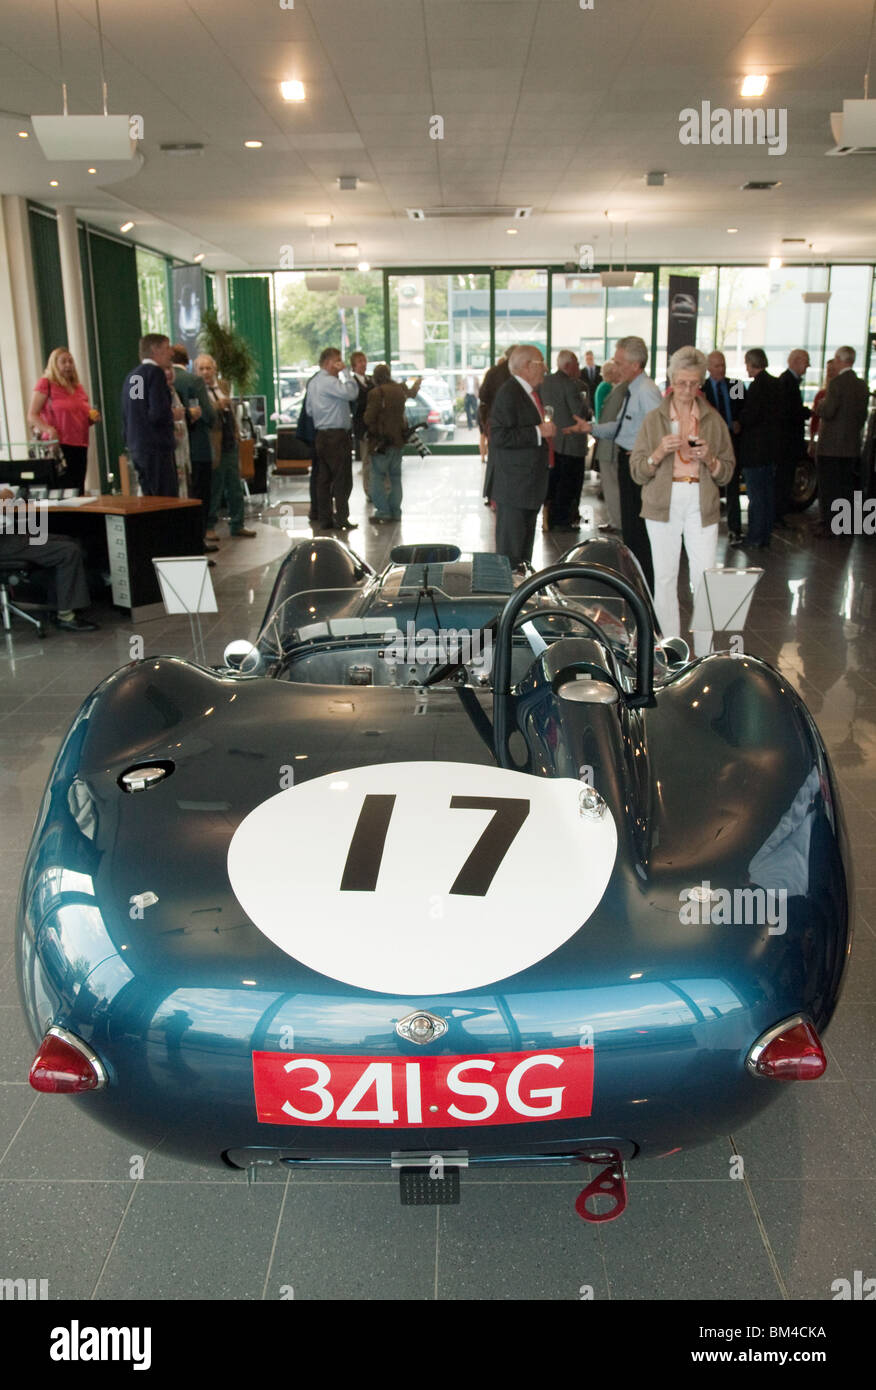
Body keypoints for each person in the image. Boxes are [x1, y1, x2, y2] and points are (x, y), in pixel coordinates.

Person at [630, 346, 735, 656]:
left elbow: (727, 472)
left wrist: (711, 459)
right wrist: (659, 452)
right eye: (682, 382)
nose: (688, 390)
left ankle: (705, 655)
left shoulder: (712, 420)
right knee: (664, 577)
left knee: (704, 578)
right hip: (663, 501)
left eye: (694, 383)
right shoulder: (654, 420)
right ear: (671, 379)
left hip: (700, 501)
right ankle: (671, 653)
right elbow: (637, 471)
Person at [565, 335, 662, 588]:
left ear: (635, 364)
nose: (615, 367)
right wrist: (590, 428)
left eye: (619, 362)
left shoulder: (647, 391)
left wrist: (646, 454)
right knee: (630, 528)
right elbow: (621, 427)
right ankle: (636, 582)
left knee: (638, 531)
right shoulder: (632, 389)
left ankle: (644, 585)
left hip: (637, 466)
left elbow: (659, 430)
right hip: (627, 460)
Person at [489, 345, 556, 570]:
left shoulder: (527, 393)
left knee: (522, 554)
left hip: (526, 486)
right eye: (541, 363)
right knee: (510, 555)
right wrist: (539, 432)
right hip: (514, 487)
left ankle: (520, 594)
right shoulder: (510, 392)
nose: (545, 368)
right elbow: (499, 436)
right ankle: (509, 599)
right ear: (527, 366)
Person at [0, 486, 98, 631]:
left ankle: (57, 604)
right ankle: (65, 616)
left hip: (12, 535)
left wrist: (3, 497)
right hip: (5, 543)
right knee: (68, 552)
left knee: (71, 541)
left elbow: (8, 493)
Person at [194, 354, 256, 539]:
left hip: (230, 442)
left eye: (209, 368)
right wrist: (216, 406)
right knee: (216, 486)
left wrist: (237, 432)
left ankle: (238, 523)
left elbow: (231, 413)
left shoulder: (223, 385)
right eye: (201, 369)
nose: (206, 372)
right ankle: (210, 526)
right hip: (214, 444)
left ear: (215, 369)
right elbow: (202, 414)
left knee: (235, 486)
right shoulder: (196, 389)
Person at [814, 345, 870, 536]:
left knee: (829, 487)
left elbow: (828, 411)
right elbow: (862, 416)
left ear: (840, 360)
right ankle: (844, 526)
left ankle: (828, 526)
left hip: (831, 447)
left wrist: (820, 406)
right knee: (845, 487)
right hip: (851, 446)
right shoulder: (862, 385)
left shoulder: (836, 383)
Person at [27, 349, 100, 495]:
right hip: (59, 446)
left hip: (80, 444)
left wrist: (91, 419)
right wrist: (49, 430)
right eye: (63, 362)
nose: (68, 365)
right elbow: (32, 414)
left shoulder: (77, 387)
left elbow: (80, 416)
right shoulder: (46, 384)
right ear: (54, 364)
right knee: (62, 490)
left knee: (77, 488)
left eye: (70, 361)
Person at [306, 347, 360, 531]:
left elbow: (309, 411)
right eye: (338, 360)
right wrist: (346, 372)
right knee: (341, 479)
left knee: (323, 480)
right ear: (329, 363)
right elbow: (352, 393)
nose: (340, 363)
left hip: (321, 435)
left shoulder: (313, 383)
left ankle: (325, 519)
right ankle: (342, 518)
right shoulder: (329, 382)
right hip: (336, 436)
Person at [539, 350, 591, 529]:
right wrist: (587, 409)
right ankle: (564, 520)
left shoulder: (544, 382)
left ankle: (550, 517)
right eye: (577, 363)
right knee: (570, 483)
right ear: (568, 366)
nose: (579, 367)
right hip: (571, 441)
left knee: (554, 481)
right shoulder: (572, 385)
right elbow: (579, 412)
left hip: (552, 440)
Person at [171, 345, 216, 550]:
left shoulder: (141, 380)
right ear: (189, 362)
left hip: (173, 450)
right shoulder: (193, 381)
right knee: (200, 496)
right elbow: (208, 416)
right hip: (197, 447)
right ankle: (197, 541)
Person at [362, 364, 420, 522]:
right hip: (398, 440)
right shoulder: (399, 390)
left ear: (376, 377)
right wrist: (417, 383)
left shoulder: (376, 393)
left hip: (381, 442)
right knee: (395, 477)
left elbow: (368, 418)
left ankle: (383, 512)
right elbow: (411, 394)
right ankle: (396, 511)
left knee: (377, 477)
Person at [121, 334, 177, 496]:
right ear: (155, 350)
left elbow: (133, 409)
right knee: (165, 501)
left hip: (137, 447)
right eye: (167, 348)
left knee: (149, 499)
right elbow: (158, 413)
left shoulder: (133, 376)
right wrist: (172, 415)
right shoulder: (155, 374)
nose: (171, 353)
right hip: (156, 448)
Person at [738, 348, 780, 549]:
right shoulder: (777, 384)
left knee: (755, 496)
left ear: (752, 363)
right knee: (767, 495)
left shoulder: (756, 387)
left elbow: (751, 416)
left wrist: (739, 421)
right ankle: (765, 536)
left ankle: (754, 537)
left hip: (754, 451)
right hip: (771, 450)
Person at [702, 350, 744, 544]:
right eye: (717, 365)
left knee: (732, 485)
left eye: (724, 365)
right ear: (709, 368)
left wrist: (738, 421)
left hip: (731, 442)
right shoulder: (701, 389)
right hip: (709, 443)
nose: (721, 369)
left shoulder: (736, 385)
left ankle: (735, 529)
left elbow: (745, 409)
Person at [774, 349, 811, 523]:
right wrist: (806, 412)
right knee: (783, 479)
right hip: (785, 443)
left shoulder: (789, 381)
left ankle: (780, 514)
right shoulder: (787, 382)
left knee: (786, 479)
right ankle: (778, 514)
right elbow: (787, 411)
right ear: (796, 361)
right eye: (805, 363)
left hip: (787, 442)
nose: (807, 367)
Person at [479, 346, 515, 504]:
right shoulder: (516, 373)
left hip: (494, 420)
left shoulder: (493, 372)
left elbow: (482, 395)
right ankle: (507, 493)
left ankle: (491, 494)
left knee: (494, 459)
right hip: (513, 421)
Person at [593, 360, 625, 532]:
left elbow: (609, 420)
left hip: (610, 445)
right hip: (609, 443)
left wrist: (592, 428)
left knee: (612, 486)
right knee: (611, 485)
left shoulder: (619, 391)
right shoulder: (614, 389)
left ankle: (617, 522)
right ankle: (616, 520)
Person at [349, 352, 374, 497]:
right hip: (362, 427)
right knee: (366, 460)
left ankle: (375, 489)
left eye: (364, 361)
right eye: (360, 361)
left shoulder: (370, 381)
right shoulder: (352, 383)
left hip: (374, 427)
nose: (363, 364)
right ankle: (368, 491)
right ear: (354, 366)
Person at [165, 367, 190, 498]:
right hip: (164, 454)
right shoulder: (138, 380)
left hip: (180, 453)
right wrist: (171, 415)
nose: (169, 372)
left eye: (170, 367)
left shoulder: (173, 392)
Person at [808, 358, 839, 458]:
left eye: (833, 370)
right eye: (828, 370)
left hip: (836, 441)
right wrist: (811, 442)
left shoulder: (841, 395)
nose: (830, 373)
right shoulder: (821, 394)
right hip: (821, 439)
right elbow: (815, 419)